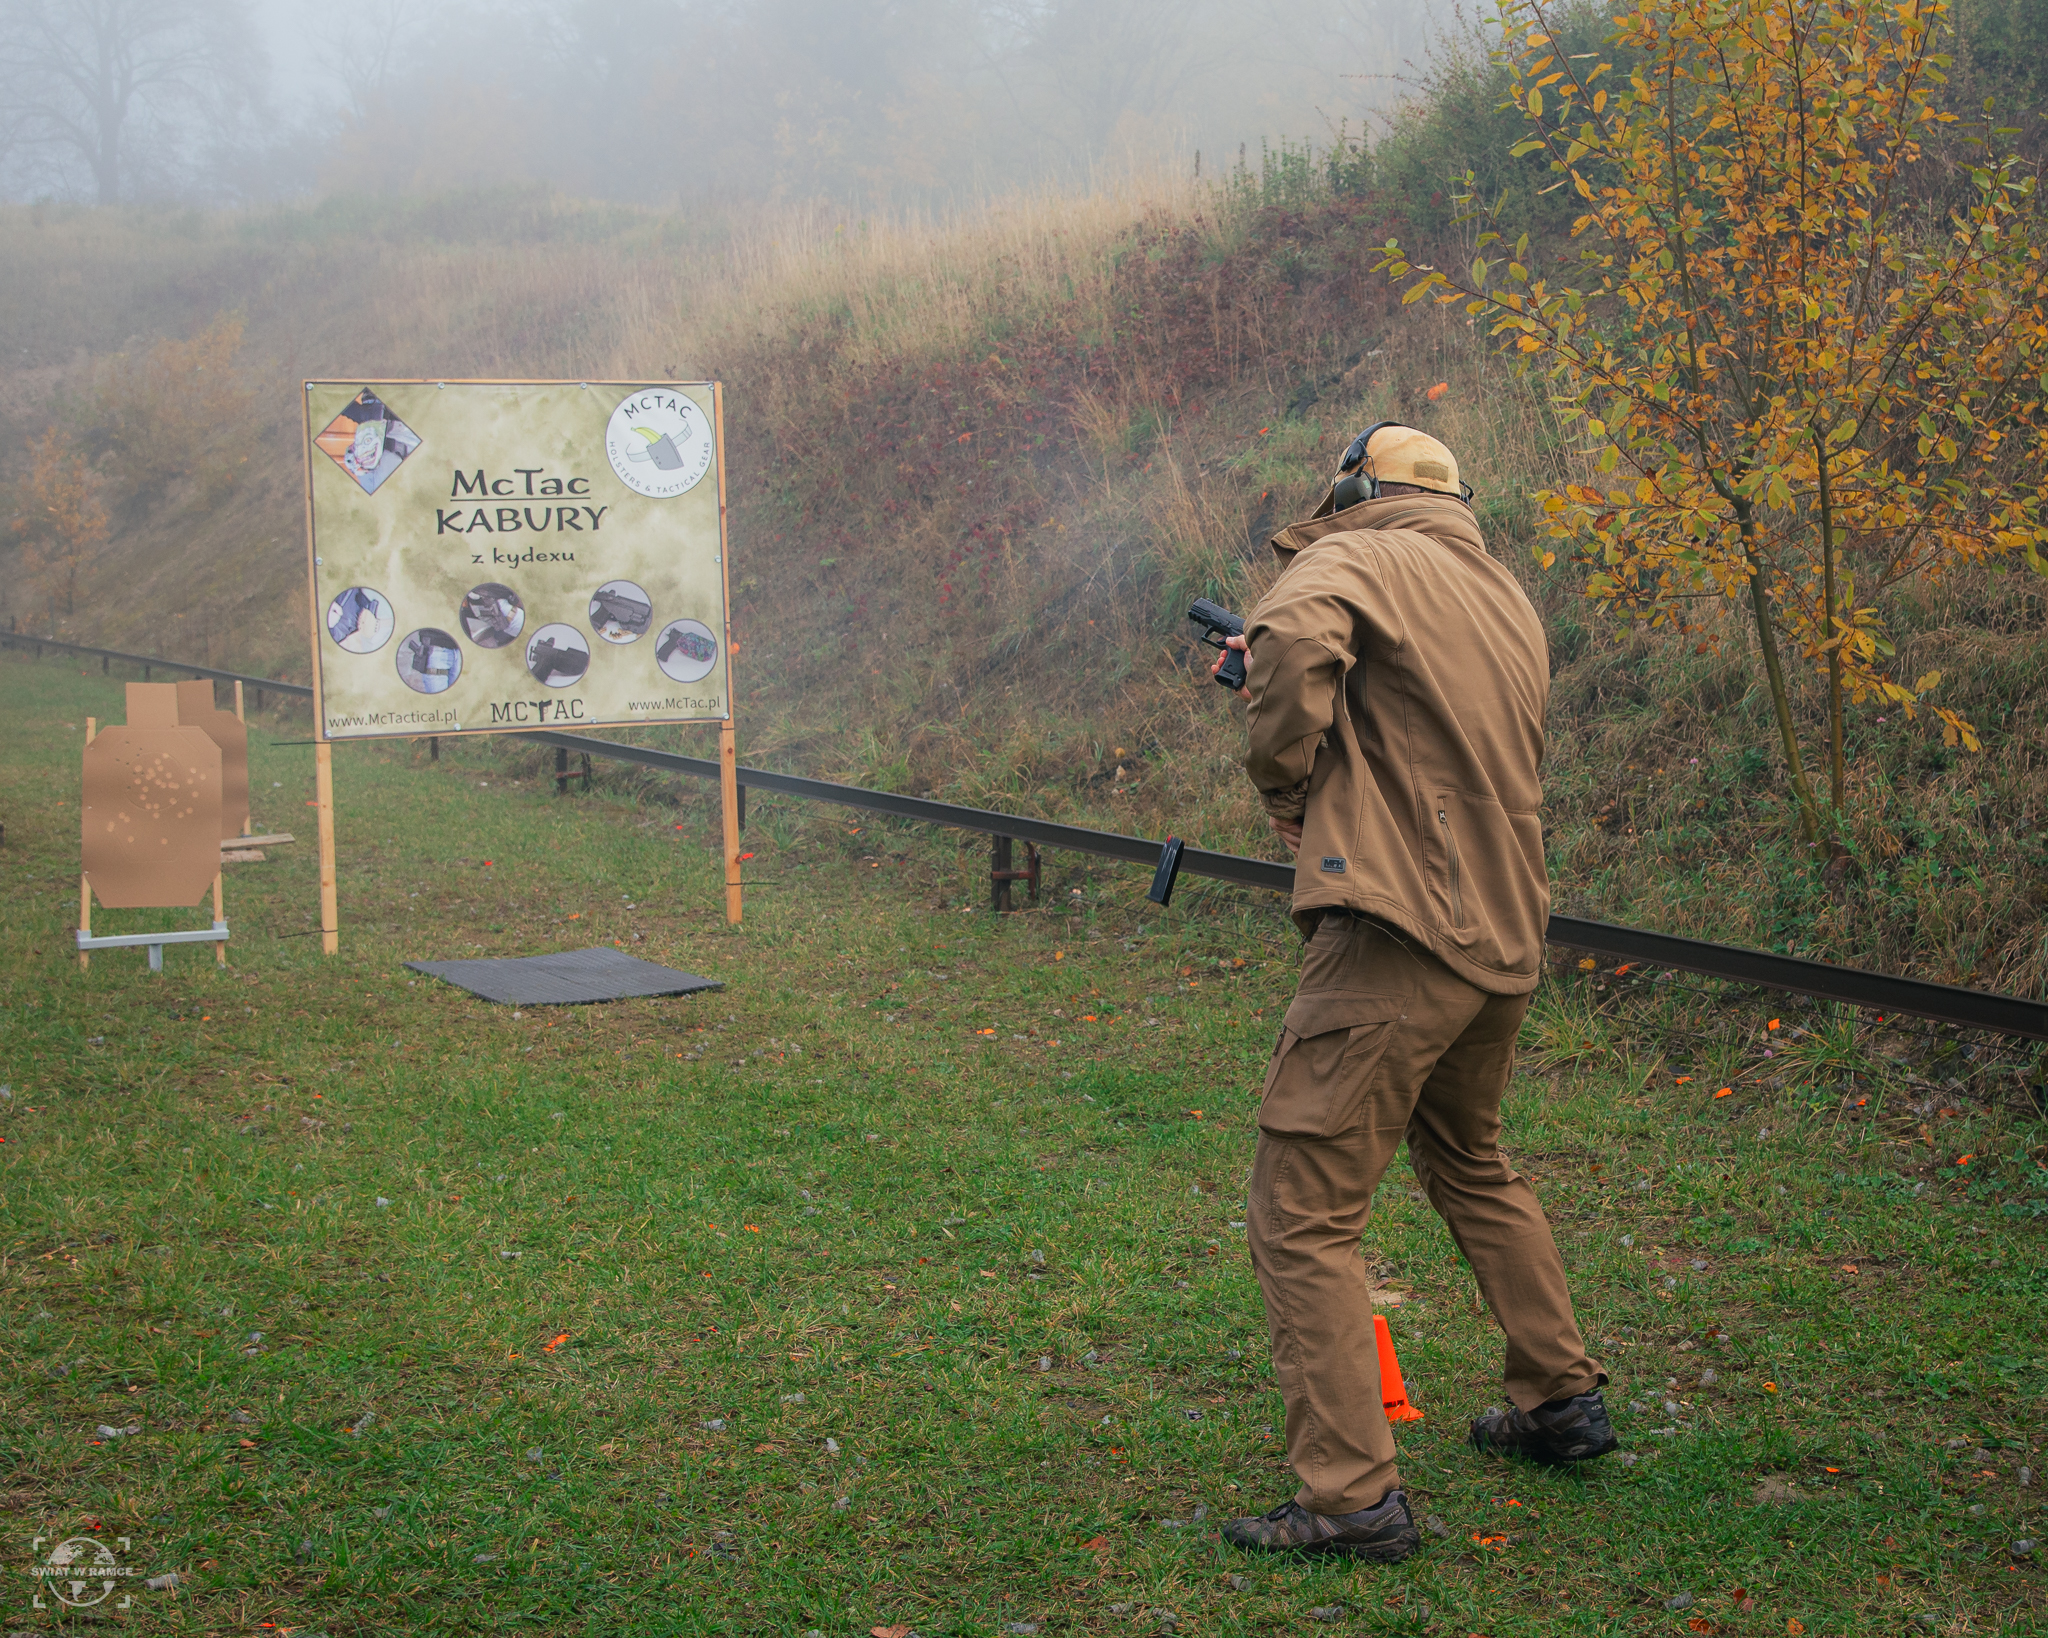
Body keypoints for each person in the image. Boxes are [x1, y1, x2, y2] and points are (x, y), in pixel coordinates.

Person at [1210, 423, 1617, 1564]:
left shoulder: (1345, 556)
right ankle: (1558, 1400)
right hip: (1498, 930)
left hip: (1393, 931)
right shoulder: (1497, 592)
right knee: (1473, 1163)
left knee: (1300, 1213)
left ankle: (1347, 1497)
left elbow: (1295, 638)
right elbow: (1413, 730)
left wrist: (1286, 786)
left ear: (1352, 489)